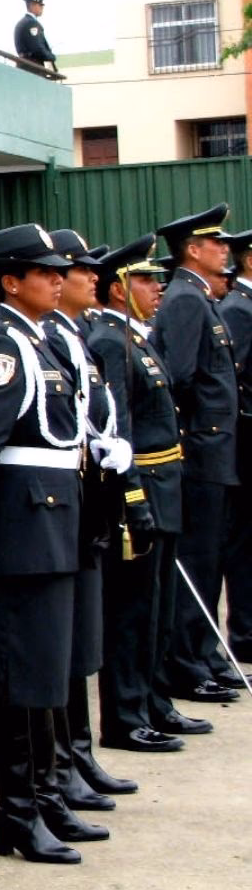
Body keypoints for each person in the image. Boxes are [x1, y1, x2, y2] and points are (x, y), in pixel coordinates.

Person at [0, 224, 86, 864]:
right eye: (44, 271)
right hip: (20, 526)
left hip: (51, 520)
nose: (58, 278)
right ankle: (17, 811)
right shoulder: (1, 345)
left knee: (45, 671)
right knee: (15, 675)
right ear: (12, 281)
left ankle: (46, 794)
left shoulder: (45, 341)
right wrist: (1, 516)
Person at [40, 233, 136, 830]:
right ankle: (62, 759)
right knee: (58, 645)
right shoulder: (41, 337)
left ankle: (77, 753)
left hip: (83, 496)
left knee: (78, 637)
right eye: (77, 270)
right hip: (52, 502)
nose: (86, 277)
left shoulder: (69, 336)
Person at [89, 236, 188, 754]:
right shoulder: (109, 340)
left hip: (166, 484)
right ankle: (126, 715)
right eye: (146, 280)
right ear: (118, 287)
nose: (157, 288)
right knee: (132, 611)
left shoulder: (136, 337)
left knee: (158, 608)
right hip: (143, 488)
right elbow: (118, 430)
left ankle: (154, 700)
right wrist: (131, 500)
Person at [150, 205, 241, 704]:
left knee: (209, 561)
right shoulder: (185, 300)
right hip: (201, 449)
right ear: (192, 250)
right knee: (198, 560)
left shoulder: (198, 297)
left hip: (216, 450)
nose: (225, 249)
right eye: (216, 242)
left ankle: (203, 652)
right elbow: (178, 376)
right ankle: (188, 661)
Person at [216, 229, 252, 665]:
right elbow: (233, 380)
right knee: (243, 541)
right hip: (243, 441)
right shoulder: (239, 308)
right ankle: (244, 632)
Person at [13, 0, 61, 77]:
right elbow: (37, 49)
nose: (42, 8)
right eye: (40, 5)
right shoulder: (31, 23)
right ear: (32, 5)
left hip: (26, 66)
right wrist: (52, 57)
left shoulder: (23, 22)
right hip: (33, 68)